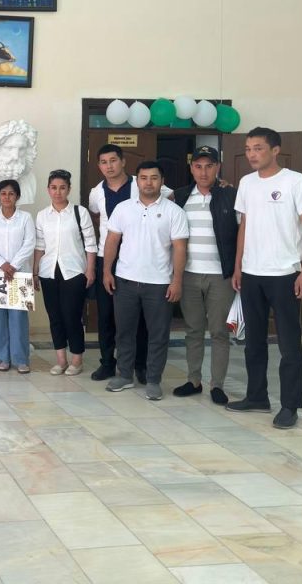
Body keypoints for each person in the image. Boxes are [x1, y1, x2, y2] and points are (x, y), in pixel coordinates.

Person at [228, 128, 302, 430]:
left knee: (289, 344)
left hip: (284, 275)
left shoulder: (295, 182)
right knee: (253, 342)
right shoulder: (246, 183)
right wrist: (238, 266)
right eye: (248, 149)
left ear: (275, 150)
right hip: (252, 273)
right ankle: (257, 396)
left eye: (258, 148)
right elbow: (244, 226)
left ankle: (290, 406)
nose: (252, 154)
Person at [102, 161, 189, 401]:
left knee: (158, 335)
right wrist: (107, 271)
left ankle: (153, 380)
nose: (148, 183)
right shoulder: (123, 208)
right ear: (137, 181)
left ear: (162, 181)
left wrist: (177, 280)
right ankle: (124, 375)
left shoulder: (175, 212)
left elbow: (180, 248)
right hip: (125, 281)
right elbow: (112, 241)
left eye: (154, 178)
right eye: (143, 178)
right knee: (124, 332)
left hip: (159, 283)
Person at [88, 144, 170, 383]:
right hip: (108, 257)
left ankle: (140, 365)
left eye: (113, 160)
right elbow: (97, 216)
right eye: (104, 162)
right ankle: (107, 363)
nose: (109, 166)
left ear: (123, 161)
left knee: (140, 317)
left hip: (138, 258)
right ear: (99, 166)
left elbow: (172, 197)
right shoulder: (96, 192)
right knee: (106, 315)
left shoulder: (141, 182)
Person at [172, 146, 239, 405]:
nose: (203, 172)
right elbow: (148, 191)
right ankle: (193, 380)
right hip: (188, 275)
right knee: (193, 330)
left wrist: (238, 270)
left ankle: (217, 385)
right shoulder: (179, 196)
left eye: (209, 166)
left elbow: (243, 234)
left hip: (221, 276)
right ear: (191, 168)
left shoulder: (231, 195)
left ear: (218, 167)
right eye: (198, 166)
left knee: (219, 331)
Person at [34, 169, 97, 376]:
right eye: (54, 188)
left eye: (62, 188)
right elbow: (40, 246)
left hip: (74, 271)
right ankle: (61, 359)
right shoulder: (42, 216)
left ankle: (77, 359)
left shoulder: (80, 212)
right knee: (55, 316)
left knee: (72, 316)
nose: (58, 192)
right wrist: (35, 272)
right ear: (48, 190)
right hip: (48, 272)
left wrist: (90, 270)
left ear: (69, 189)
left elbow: (90, 244)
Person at [0, 179, 36, 373]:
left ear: (17, 196)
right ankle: (2, 358)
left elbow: (29, 243)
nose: (7, 197)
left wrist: (12, 266)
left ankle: (21, 359)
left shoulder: (25, 217)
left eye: (11, 193)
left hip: (18, 275)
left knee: (18, 318)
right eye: (3, 193)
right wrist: (2, 265)